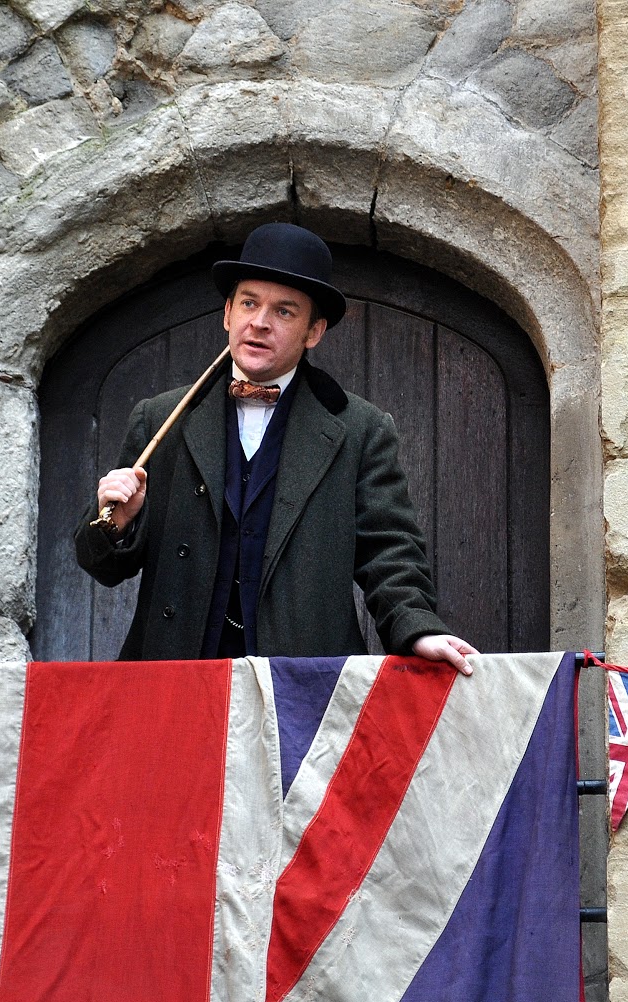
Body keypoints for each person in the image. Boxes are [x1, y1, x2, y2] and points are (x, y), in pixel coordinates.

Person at [73, 222, 478, 673]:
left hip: (306, 685)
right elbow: (100, 566)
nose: (260, 322)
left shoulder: (360, 429)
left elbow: (389, 552)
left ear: (314, 331)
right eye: (249, 303)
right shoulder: (159, 419)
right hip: (177, 677)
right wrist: (115, 523)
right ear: (227, 313)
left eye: (284, 312)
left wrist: (418, 627)